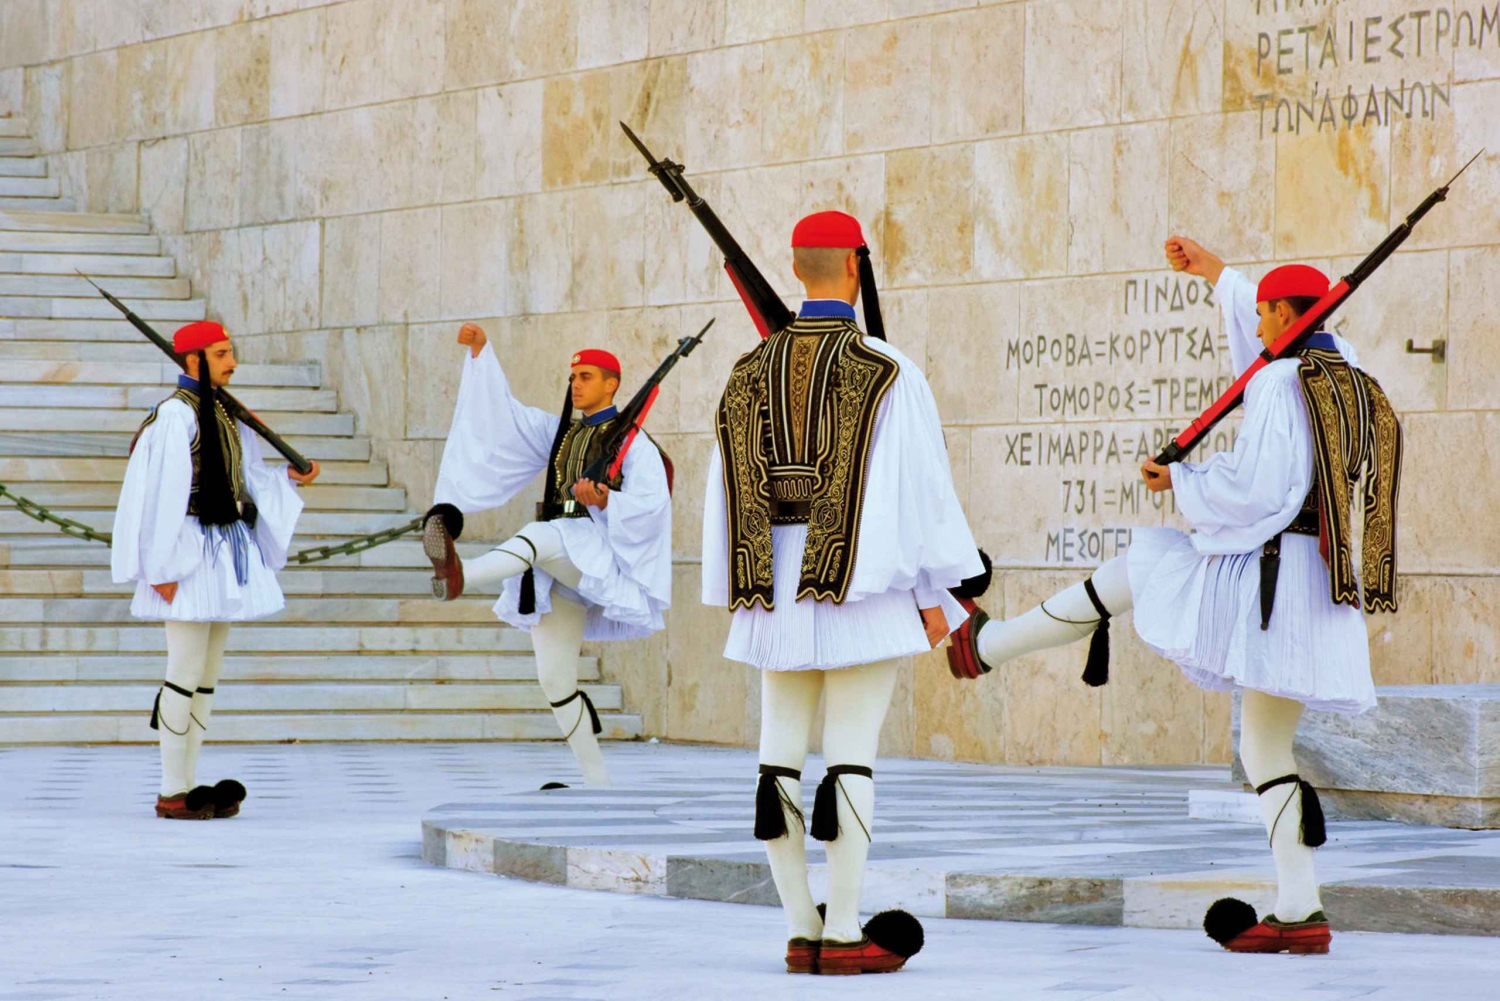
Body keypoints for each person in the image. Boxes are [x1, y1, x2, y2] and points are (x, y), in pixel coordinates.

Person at [950, 236, 1402, 955]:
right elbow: (1273, 353)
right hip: (1320, 584)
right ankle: (1301, 909)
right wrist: (1217, 274)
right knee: (1266, 748)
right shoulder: (1350, 378)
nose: (1256, 327)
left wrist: (1181, 482)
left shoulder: (1282, 385)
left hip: (1271, 577)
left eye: (1266, 315)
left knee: (1144, 564)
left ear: (1289, 317)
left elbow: (1257, 487)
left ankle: (989, 644)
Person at [702, 210, 982, 974]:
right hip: (862, 587)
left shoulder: (746, 371)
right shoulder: (889, 369)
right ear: (856, 267)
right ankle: (846, 928)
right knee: (850, 756)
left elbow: (725, 488)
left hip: (772, 590)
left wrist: (744, 582)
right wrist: (937, 593)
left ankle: (802, 928)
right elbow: (919, 490)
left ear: (796, 269)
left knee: (778, 762)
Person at [422, 326, 672, 788]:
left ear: (612, 384)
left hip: (594, 554)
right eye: (573, 376)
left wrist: (607, 500)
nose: (576, 384)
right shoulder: (561, 433)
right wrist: (481, 354)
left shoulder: (634, 443)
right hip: (556, 565)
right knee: (555, 681)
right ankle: (598, 785)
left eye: (586, 376)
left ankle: (463, 575)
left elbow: (653, 506)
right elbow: (503, 418)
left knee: (539, 534)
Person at [112, 320, 320, 819]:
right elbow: (160, 494)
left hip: (223, 551)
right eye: (222, 353)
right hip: (184, 552)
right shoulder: (174, 416)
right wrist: (159, 566)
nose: (233, 362)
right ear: (194, 360)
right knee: (183, 673)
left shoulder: (224, 410)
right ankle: (171, 790)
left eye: (231, 352)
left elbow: (245, 479)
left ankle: (190, 784)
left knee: (205, 676)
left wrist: (289, 478)